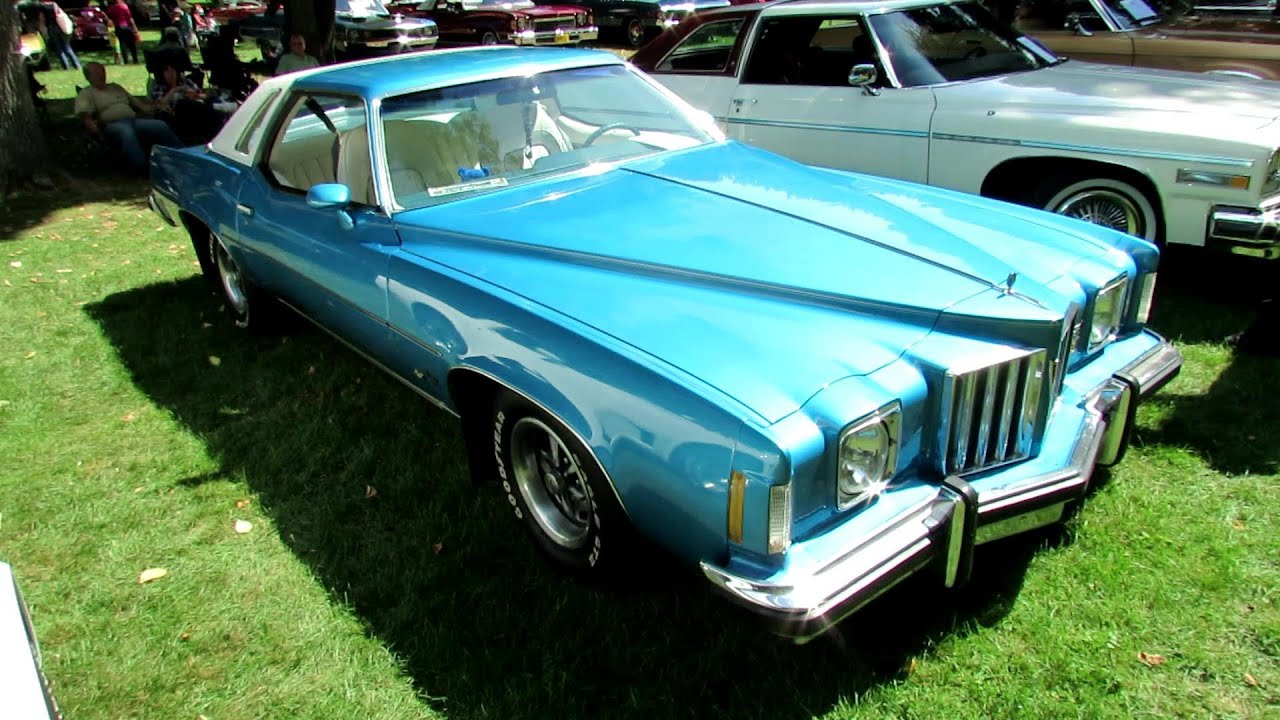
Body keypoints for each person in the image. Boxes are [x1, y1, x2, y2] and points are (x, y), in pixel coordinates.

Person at [75, 62, 181, 173]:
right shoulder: (86, 93)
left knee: (160, 125)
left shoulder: (115, 87)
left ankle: (182, 154)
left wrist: (159, 106)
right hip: (111, 125)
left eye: (102, 71)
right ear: (88, 77)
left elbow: (141, 107)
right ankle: (144, 168)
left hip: (133, 121)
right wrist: (95, 131)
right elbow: (85, 116)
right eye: (97, 73)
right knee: (126, 132)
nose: (101, 75)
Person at [42, 1, 80, 70]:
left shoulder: (42, 6)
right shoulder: (54, 4)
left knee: (59, 48)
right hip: (61, 26)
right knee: (67, 47)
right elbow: (58, 13)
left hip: (51, 27)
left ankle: (66, 66)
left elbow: (42, 18)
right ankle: (77, 65)